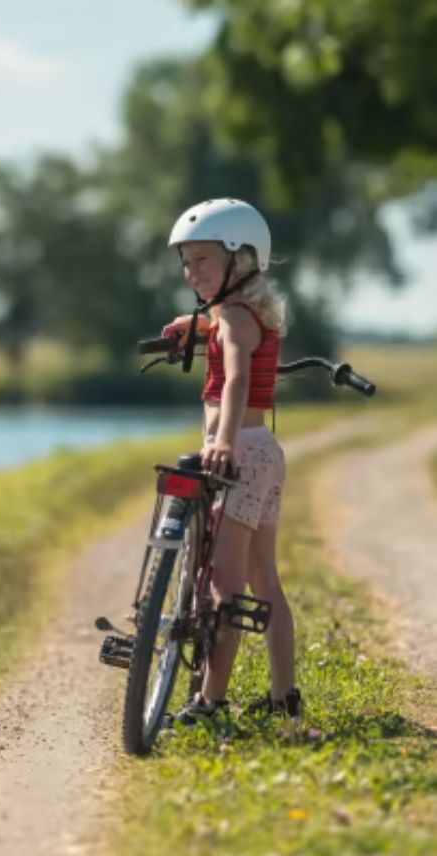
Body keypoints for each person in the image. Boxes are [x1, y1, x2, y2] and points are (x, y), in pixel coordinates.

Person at [158, 198, 297, 721]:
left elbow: (236, 375)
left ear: (240, 262)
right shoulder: (245, 312)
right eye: (187, 263)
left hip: (241, 449)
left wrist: (222, 439)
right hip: (265, 451)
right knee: (265, 576)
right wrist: (195, 326)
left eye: (203, 262)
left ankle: (210, 701)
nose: (192, 273)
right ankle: (285, 697)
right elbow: (227, 335)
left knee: (223, 585)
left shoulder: (236, 317)